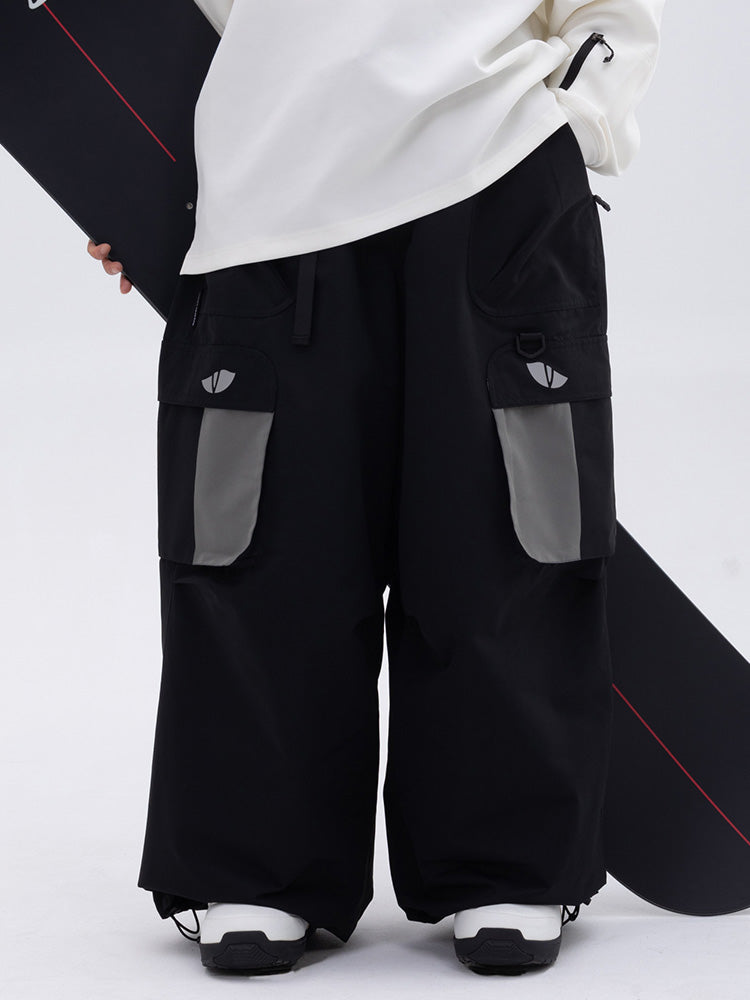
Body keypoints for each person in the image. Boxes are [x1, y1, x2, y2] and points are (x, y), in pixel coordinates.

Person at [88, 0, 666, 977]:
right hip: (270, 193)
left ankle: (508, 858)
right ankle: (261, 864)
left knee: (500, 529)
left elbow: (610, 12)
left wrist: (572, 123)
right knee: (266, 540)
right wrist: (136, 175)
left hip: (493, 167)